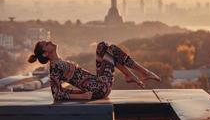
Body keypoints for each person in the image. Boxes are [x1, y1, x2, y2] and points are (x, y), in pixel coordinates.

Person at [28, 41, 161, 101]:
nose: (50, 41)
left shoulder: (59, 62)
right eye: (46, 44)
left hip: (98, 82)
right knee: (112, 50)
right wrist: (80, 96)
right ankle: (143, 72)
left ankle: (131, 75)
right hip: (99, 88)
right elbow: (56, 94)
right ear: (45, 53)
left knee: (102, 46)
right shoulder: (55, 67)